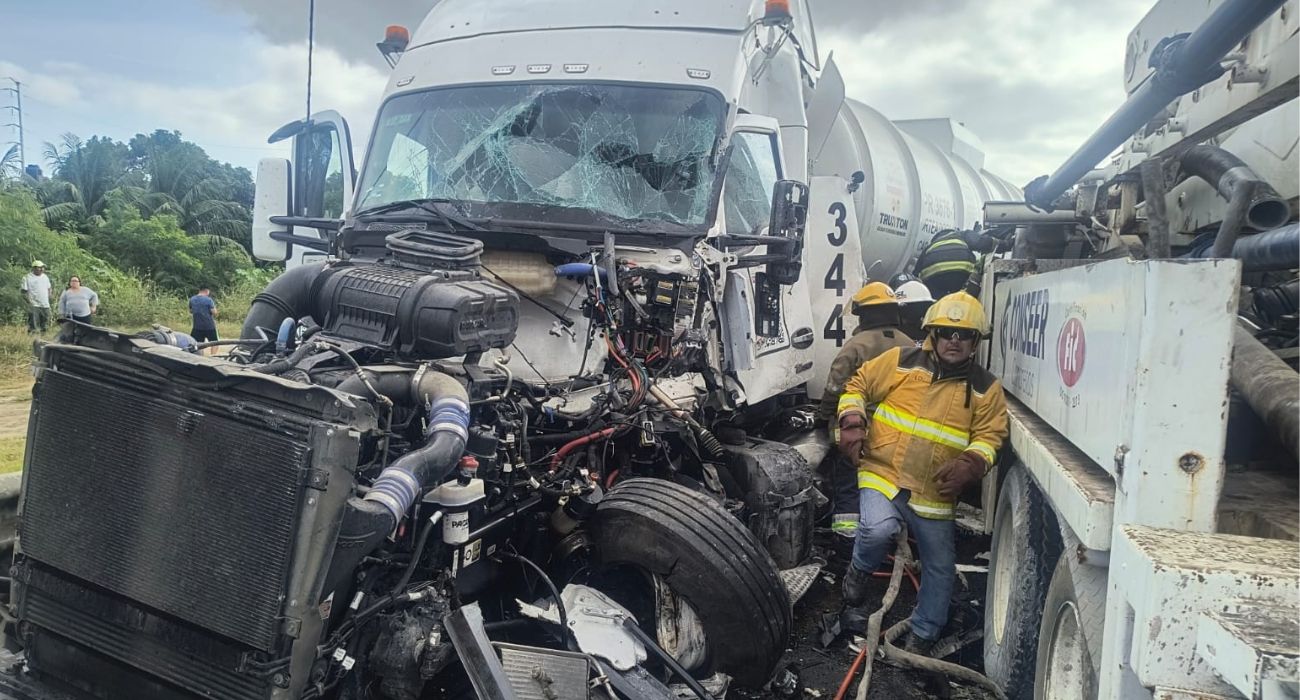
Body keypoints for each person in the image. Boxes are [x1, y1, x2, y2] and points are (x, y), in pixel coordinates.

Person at [836, 291, 1008, 656]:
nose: (954, 340)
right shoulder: (901, 362)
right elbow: (858, 385)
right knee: (877, 529)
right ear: (933, 333)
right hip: (882, 473)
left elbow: (990, 436)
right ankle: (858, 573)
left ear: (976, 341)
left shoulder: (985, 388)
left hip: (934, 493)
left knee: (940, 567)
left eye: (964, 335)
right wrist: (851, 420)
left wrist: (972, 463)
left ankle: (922, 636)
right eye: (946, 332)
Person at [817, 282, 915, 543]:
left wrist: (823, 415)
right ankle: (892, 534)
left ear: (864, 314)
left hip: (860, 432)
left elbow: (835, 387)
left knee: (849, 480)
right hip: (900, 435)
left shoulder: (856, 346)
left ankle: (847, 537)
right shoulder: (910, 346)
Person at [911, 229, 998, 298]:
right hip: (960, 274)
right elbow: (980, 242)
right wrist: (1001, 244)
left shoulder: (930, 246)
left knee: (938, 303)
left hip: (934, 279)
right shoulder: (961, 235)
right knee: (961, 299)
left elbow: (915, 274)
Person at [21, 261, 52, 334]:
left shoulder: (45, 277)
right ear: (34, 268)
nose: (42, 269)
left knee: (45, 323)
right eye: (39, 267)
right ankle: (32, 337)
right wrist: (29, 302)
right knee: (33, 324)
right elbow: (23, 292)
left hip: (45, 304)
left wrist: (49, 295)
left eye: (42, 267)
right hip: (34, 304)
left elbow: (49, 288)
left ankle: (44, 336)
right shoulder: (27, 277)